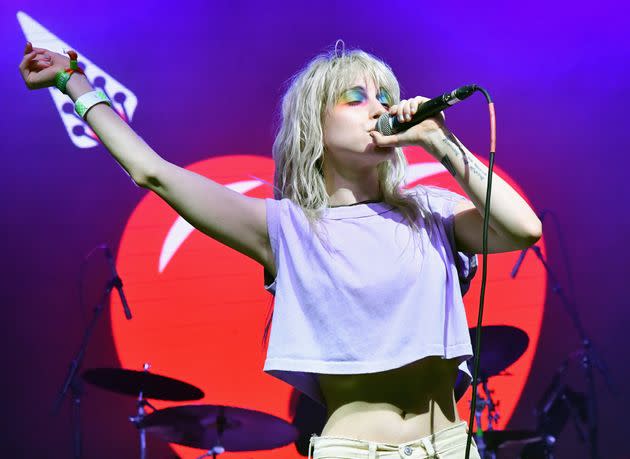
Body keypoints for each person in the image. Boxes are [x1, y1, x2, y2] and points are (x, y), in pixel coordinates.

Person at [20, 40, 542, 459]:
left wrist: (441, 142)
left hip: (451, 445)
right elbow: (151, 171)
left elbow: (523, 230)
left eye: (382, 96)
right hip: (353, 451)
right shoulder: (287, 229)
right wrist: (74, 82)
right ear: (314, 126)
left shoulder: (431, 210)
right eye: (354, 97)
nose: (378, 108)